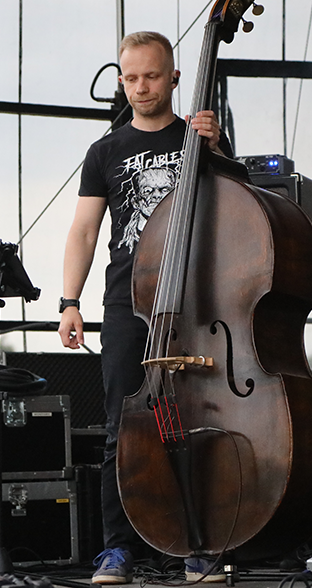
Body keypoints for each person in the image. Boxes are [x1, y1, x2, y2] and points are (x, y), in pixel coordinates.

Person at [58, 31, 232, 585]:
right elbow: (85, 231)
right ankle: (117, 549)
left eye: (151, 76)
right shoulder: (105, 151)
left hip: (196, 299)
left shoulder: (198, 139)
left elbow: (239, 205)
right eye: (130, 78)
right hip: (127, 303)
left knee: (200, 422)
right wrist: (69, 301)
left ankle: (198, 546)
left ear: (175, 78)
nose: (140, 87)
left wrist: (220, 150)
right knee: (123, 427)